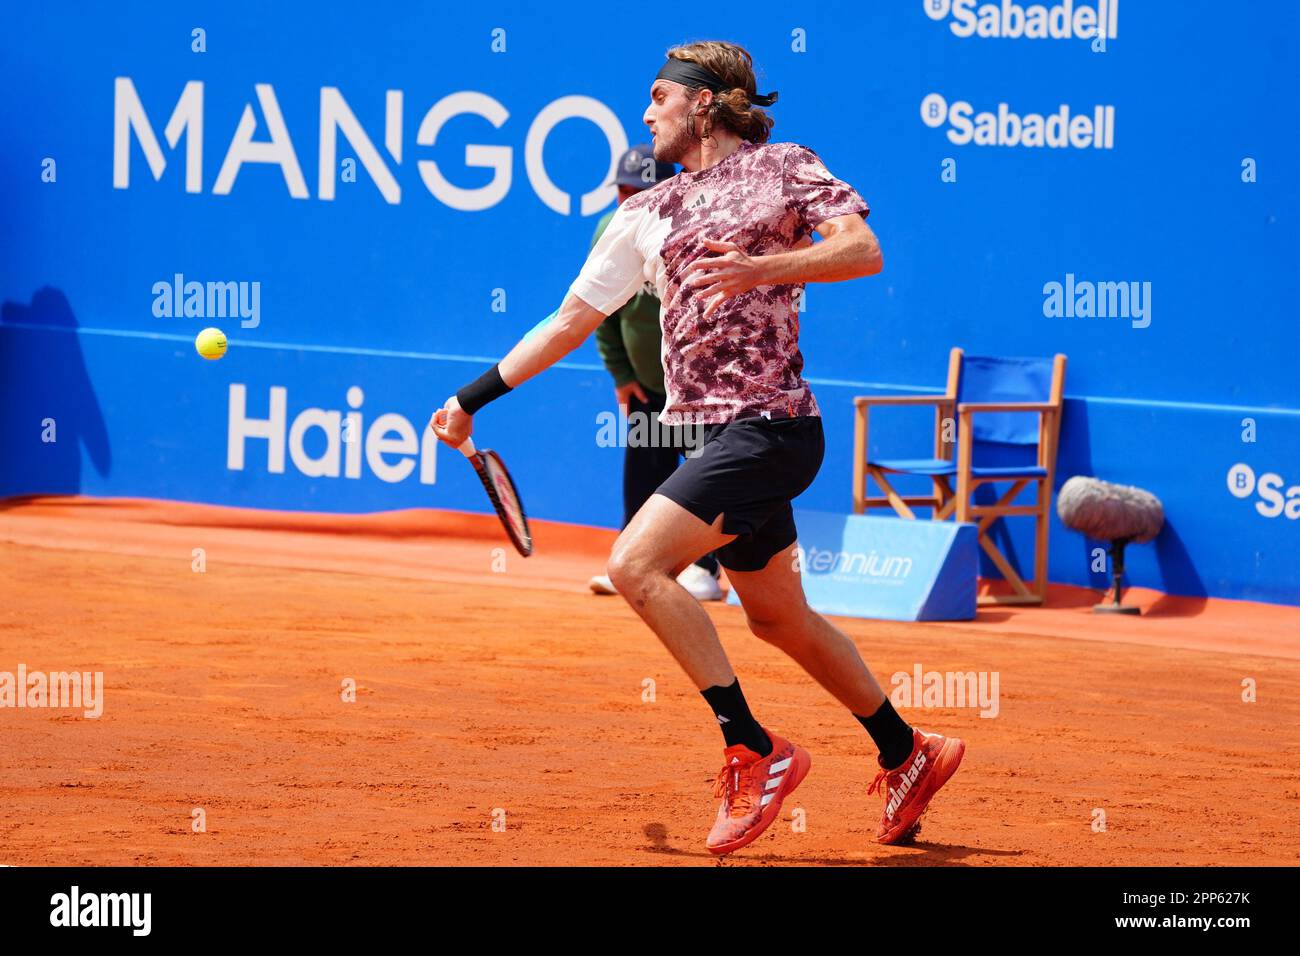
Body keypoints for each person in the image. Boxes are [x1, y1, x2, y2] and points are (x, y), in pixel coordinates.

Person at [432, 40, 964, 855]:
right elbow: (569, 323)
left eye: (658, 97)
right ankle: (908, 751)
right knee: (780, 620)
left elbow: (862, 249)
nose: (646, 114)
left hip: (775, 428)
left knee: (635, 564)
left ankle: (752, 748)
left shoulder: (784, 165)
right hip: (715, 438)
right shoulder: (641, 214)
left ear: (705, 101)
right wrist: (472, 400)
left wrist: (762, 268)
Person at [588, 143, 723, 602]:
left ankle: (702, 568)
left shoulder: (695, 232)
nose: (628, 201)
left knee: (701, 478)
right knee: (644, 472)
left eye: (637, 190)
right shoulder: (610, 230)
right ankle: (630, 561)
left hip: (699, 389)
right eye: (622, 191)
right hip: (646, 384)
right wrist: (621, 373)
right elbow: (600, 310)